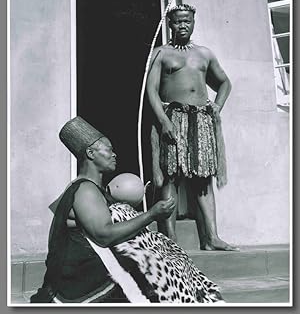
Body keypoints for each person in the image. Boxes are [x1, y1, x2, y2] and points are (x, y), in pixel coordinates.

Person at [30, 116, 224, 303]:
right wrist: (151, 215)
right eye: (109, 150)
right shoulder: (84, 190)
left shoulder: (94, 190)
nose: (114, 154)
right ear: (90, 153)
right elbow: (103, 235)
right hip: (84, 278)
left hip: (94, 268)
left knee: (173, 264)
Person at [146, 4, 238, 251]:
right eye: (178, 22)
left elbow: (224, 83)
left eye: (187, 21)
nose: (183, 25)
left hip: (201, 119)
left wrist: (217, 106)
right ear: (170, 24)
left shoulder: (204, 54)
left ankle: (211, 238)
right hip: (173, 117)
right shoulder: (161, 53)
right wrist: (164, 121)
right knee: (170, 177)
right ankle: (171, 240)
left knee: (203, 179)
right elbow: (151, 91)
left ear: (193, 22)